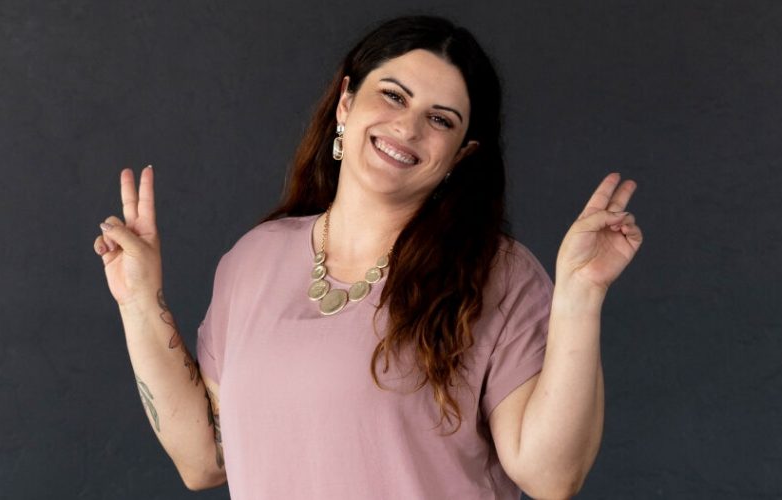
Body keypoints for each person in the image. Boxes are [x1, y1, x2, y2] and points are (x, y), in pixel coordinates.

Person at [92, 15, 642, 500]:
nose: (408, 127)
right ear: (347, 102)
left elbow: (551, 478)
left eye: (441, 119)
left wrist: (580, 297)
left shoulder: (500, 275)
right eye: (394, 95)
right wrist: (139, 299)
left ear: (460, 155)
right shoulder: (254, 260)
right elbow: (205, 459)